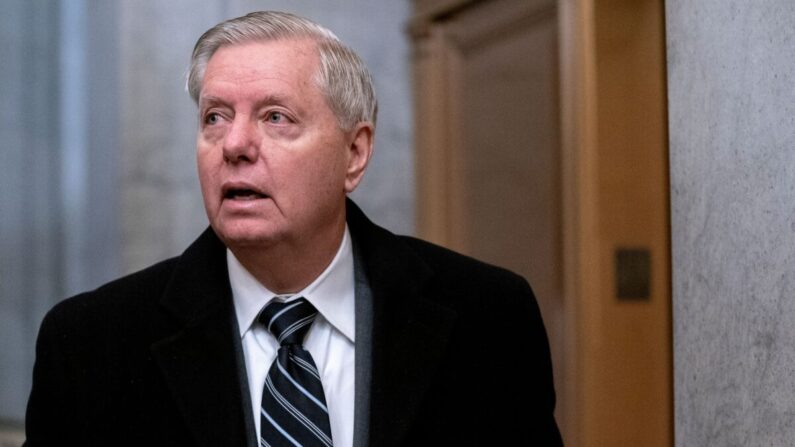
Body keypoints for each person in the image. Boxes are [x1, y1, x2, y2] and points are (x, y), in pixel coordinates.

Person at [24, 10, 562, 447]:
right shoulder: (90, 345)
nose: (234, 144)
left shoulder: (488, 317)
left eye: (275, 117)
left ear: (355, 153)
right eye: (214, 117)